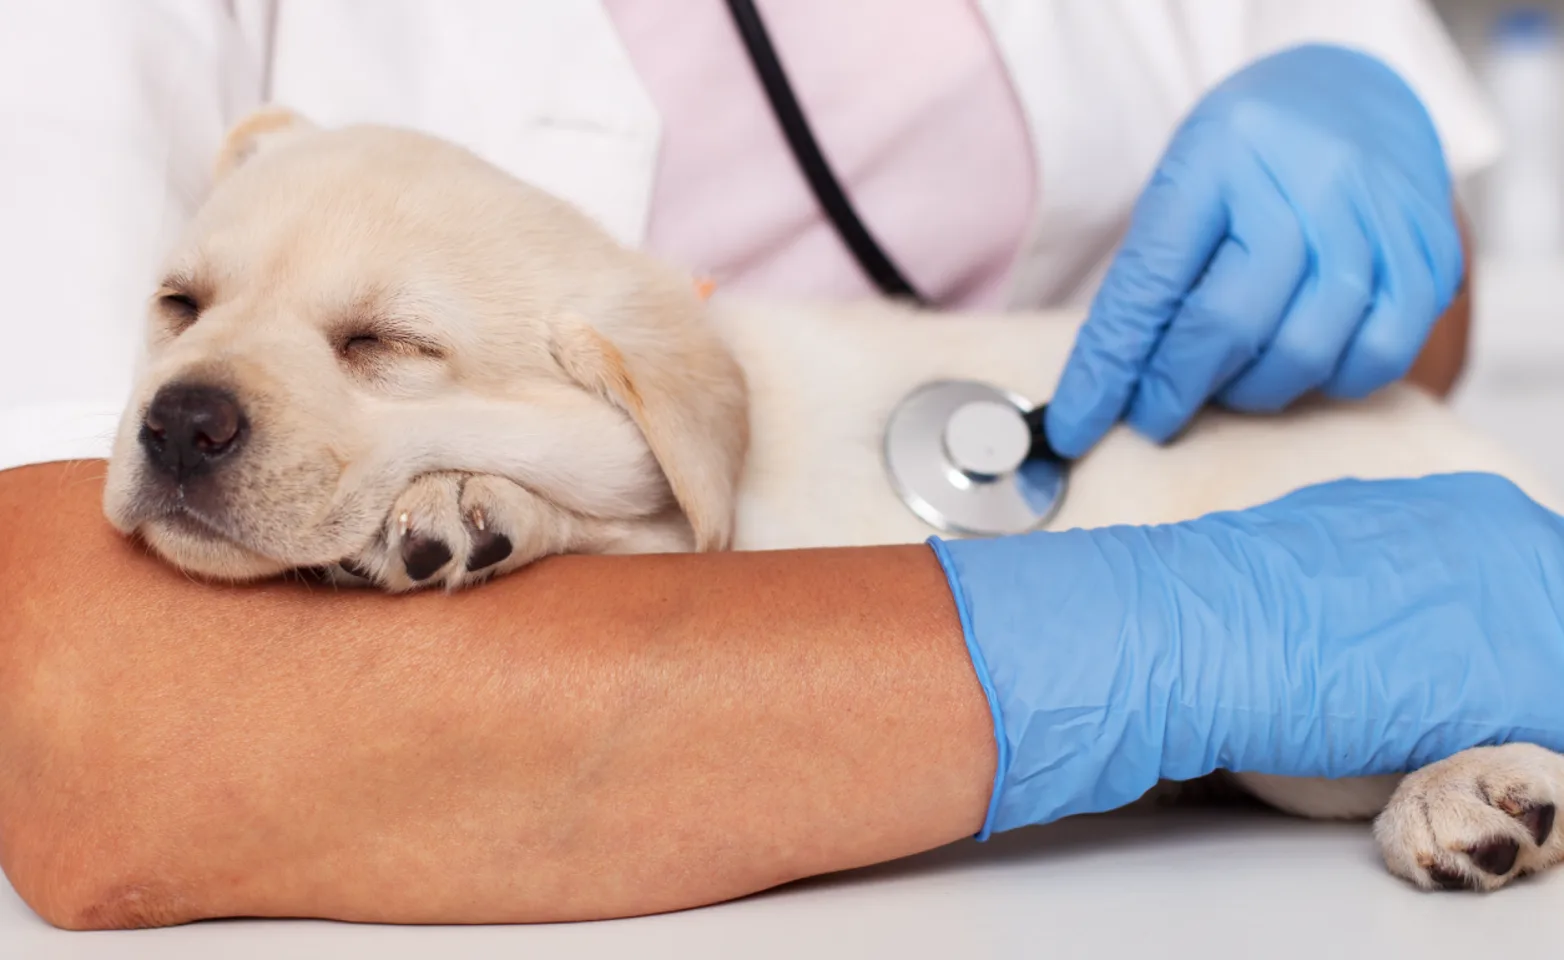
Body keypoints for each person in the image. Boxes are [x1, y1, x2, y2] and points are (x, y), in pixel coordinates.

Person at [2, 0, 1562, 930]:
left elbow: (1410, 321)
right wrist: (1168, 635)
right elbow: (94, 731)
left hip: (1162, 865)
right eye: (187, 306)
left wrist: (1361, 176)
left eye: (372, 342)